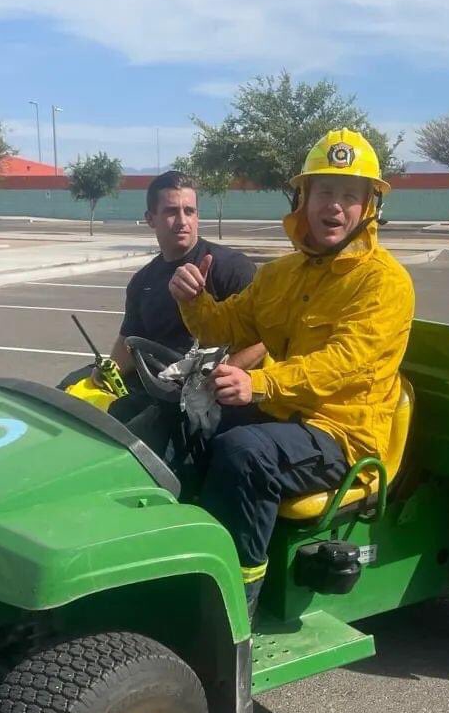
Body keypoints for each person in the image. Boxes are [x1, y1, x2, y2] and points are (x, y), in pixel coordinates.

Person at [170, 128, 415, 618]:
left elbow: (344, 363)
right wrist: (193, 300)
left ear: (369, 206)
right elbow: (226, 325)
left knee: (245, 453)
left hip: (343, 434)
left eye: (350, 195)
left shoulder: (384, 283)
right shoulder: (280, 276)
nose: (335, 205)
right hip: (286, 416)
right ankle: (176, 556)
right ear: (303, 199)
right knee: (179, 421)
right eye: (324, 191)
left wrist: (259, 383)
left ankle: (235, 603)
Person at [60, 171, 262, 401]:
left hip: (213, 397)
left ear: (197, 216)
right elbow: (129, 341)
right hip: (154, 386)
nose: (182, 221)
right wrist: (107, 371)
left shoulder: (231, 267)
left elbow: (266, 337)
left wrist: (219, 378)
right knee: (67, 392)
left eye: (189, 211)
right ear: (150, 219)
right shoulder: (143, 281)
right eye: (171, 211)